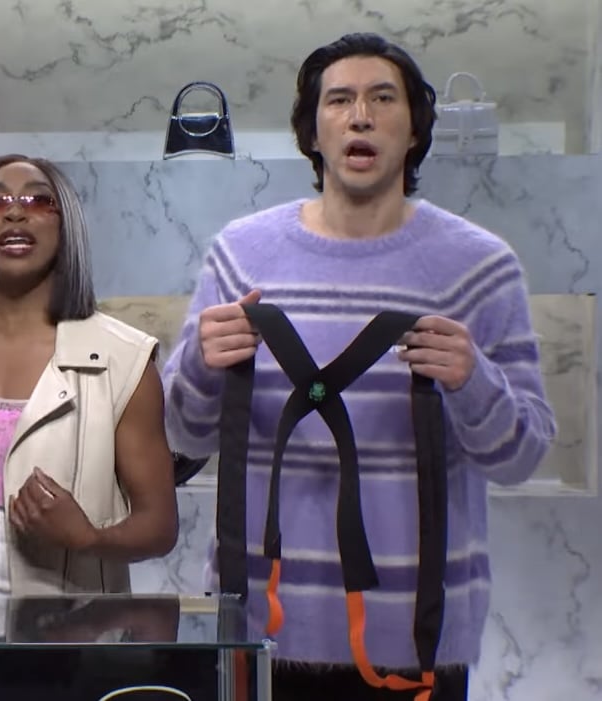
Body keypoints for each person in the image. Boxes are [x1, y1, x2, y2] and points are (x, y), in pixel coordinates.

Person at [162, 33, 556, 701]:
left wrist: (473, 379)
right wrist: (201, 365)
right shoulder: (241, 255)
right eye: (339, 100)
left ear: (415, 130)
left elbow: (521, 456)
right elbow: (181, 435)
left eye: (383, 99)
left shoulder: (481, 267)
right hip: (257, 634)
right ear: (312, 132)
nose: (361, 117)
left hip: (417, 645)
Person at [0, 154, 178, 639]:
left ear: (66, 225)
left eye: (37, 200)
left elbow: (160, 526)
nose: (15, 212)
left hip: (66, 643)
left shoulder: (124, 360)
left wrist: (88, 537)